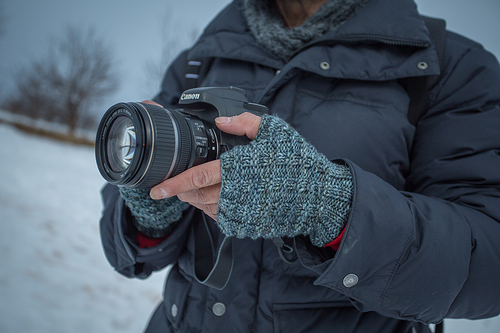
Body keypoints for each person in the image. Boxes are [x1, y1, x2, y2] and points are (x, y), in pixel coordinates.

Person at [99, 0, 500, 332]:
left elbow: (488, 264)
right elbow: (128, 241)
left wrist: (329, 206)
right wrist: (150, 211)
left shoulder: (446, 66)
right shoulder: (202, 57)